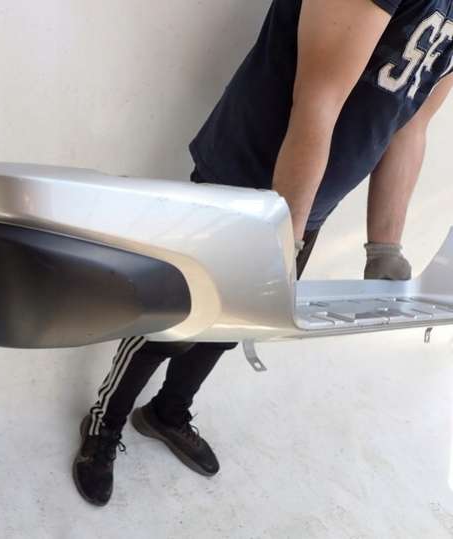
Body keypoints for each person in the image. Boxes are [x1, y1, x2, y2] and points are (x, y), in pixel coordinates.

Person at [72, 0, 453, 506]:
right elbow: (318, 98)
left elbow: (410, 126)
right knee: (172, 322)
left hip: (307, 204)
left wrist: (385, 247)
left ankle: (167, 412)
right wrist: (281, 238)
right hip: (243, 179)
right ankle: (106, 422)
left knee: (236, 323)